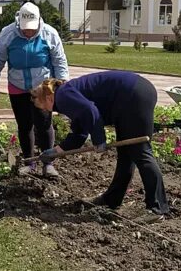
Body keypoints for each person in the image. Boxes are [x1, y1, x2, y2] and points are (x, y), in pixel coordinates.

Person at [31, 71, 171, 216]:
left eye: (43, 107)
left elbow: (91, 110)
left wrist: (99, 140)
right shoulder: (67, 95)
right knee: (125, 154)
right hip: (131, 93)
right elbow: (79, 133)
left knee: (140, 152)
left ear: (48, 98)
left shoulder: (62, 96)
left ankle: (157, 208)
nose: (47, 111)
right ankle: (112, 199)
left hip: (132, 94)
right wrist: (56, 151)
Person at [0, 1, 69, 177]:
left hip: (43, 87)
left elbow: (59, 61)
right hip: (17, 86)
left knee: (44, 124)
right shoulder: (8, 34)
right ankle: (29, 163)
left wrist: (62, 85)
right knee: (24, 126)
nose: (28, 32)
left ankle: (48, 164)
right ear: (19, 22)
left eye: (32, 28)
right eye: (25, 29)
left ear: (39, 21)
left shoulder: (49, 34)